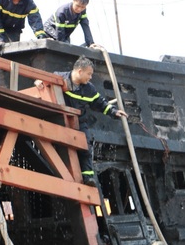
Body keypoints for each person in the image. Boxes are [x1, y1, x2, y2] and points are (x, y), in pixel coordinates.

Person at [34, 56, 127, 186]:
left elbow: (100, 103)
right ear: (79, 71)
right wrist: (38, 81)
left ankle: (88, 177)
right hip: (60, 120)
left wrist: (114, 112)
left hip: (80, 122)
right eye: (89, 74)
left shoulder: (89, 89)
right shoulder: (59, 78)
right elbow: (43, 79)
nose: (90, 77)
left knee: (86, 147)